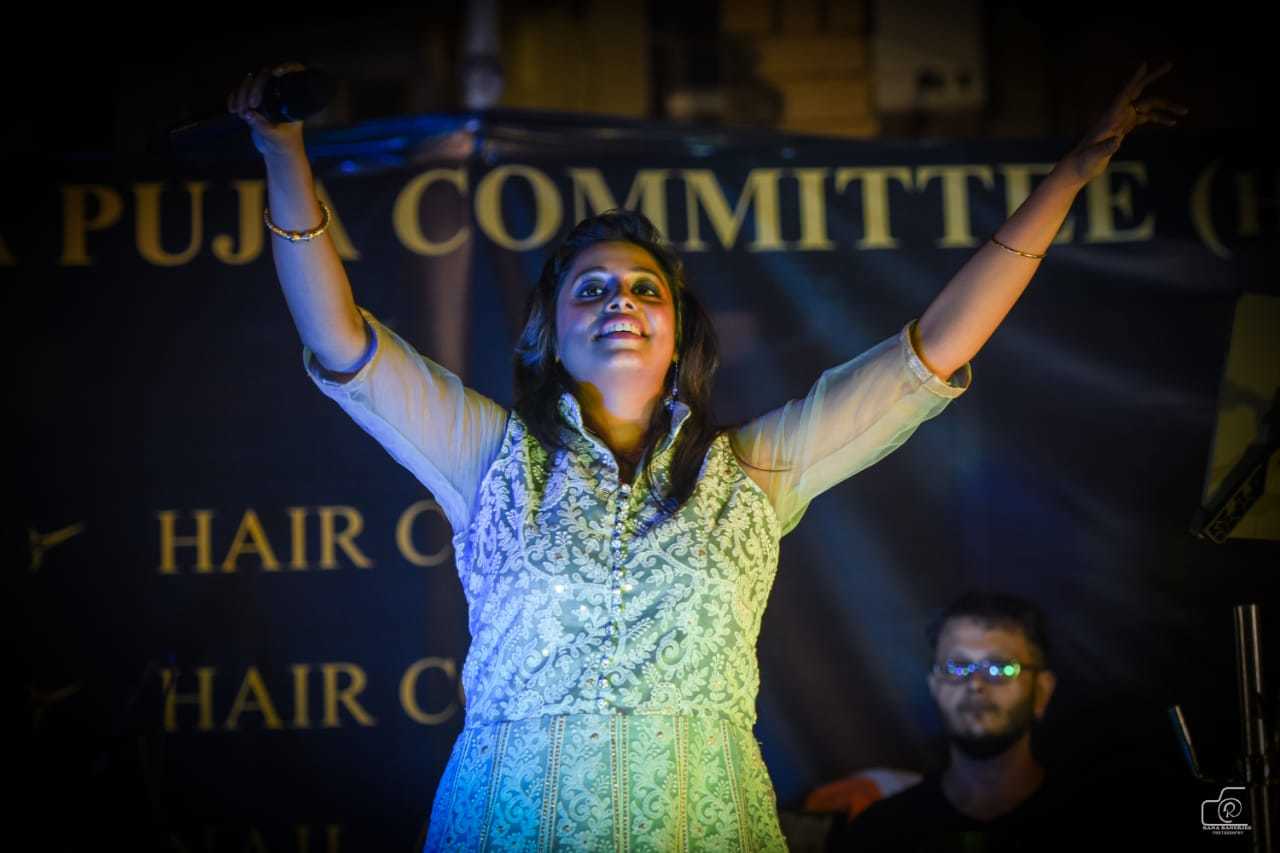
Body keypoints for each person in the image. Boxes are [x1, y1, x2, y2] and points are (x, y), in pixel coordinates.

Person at [228, 59, 1185, 851]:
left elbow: (932, 352)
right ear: (549, 335)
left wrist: (1071, 176)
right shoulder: (488, 457)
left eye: (645, 289)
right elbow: (339, 338)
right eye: (591, 289)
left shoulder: (752, 472)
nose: (620, 301)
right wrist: (282, 151)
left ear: (677, 331)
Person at [828, 591, 1079, 852]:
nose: (975, 684)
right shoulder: (880, 832)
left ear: (1042, 691)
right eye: (956, 667)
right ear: (935, 688)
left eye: (1000, 667)